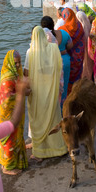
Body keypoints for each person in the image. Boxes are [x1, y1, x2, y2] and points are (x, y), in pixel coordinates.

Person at [23, 26, 67, 161]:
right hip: (51, 91)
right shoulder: (53, 50)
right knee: (53, 117)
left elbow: (26, 73)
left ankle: (40, 153)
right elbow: (59, 67)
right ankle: (58, 148)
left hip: (37, 93)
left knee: (38, 120)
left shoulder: (30, 52)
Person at [0, 50, 29, 175]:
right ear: (9, 63)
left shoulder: (16, 74)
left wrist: (23, 91)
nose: (18, 66)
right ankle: (7, 167)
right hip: (7, 112)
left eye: (20, 63)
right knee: (9, 137)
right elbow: (9, 98)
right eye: (15, 63)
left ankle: (15, 161)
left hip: (14, 110)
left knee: (16, 136)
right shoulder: (8, 79)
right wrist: (23, 92)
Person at [41, 15, 73, 109]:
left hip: (50, 64)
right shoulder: (63, 32)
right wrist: (62, 50)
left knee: (51, 89)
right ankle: (63, 110)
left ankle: (52, 111)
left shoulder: (42, 37)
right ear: (53, 24)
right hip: (65, 62)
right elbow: (70, 45)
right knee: (63, 88)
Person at [57, 8, 85, 95]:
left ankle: (69, 96)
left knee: (67, 79)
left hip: (68, 58)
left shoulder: (62, 29)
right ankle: (77, 93)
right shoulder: (79, 25)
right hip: (79, 57)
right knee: (77, 78)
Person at [76, 10, 94, 81]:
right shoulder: (89, 26)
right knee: (88, 65)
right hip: (89, 51)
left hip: (83, 52)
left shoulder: (80, 29)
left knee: (85, 65)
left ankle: (85, 80)